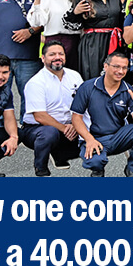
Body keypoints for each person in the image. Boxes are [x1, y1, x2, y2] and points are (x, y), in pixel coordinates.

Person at [70, 52, 133, 177]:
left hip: (118, 137)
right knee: (95, 162)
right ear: (105, 66)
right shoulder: (87, 87)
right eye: (116, 66)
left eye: (124, 68)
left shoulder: (128, 89)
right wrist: (89, 139)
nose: (120, 71)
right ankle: (98, 172)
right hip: (94, 138)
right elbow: (76, 118)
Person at [20, 41, 83, 176]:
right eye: (52, 54)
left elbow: (84, 104)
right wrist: (65, 128)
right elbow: (40, 116)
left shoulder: (75, 76)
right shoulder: (36, 82)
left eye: (61, 54)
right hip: (38, 128)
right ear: (43, 58)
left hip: (70, 125)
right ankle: (41, 168)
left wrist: (76, 125)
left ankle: (63, 155)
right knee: (49, 134)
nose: (57, 57)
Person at [65, 0, 125, 80]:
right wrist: (75, 13)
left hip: (114, 41)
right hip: (92, 44)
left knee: (115, 74)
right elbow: (70, 25)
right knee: (94, 76)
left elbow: (121, 19)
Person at [28, 0, 81, 71]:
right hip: (55, 41)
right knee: (54, 75)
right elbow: (37, 22)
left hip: (75, 42)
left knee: (73, 76)